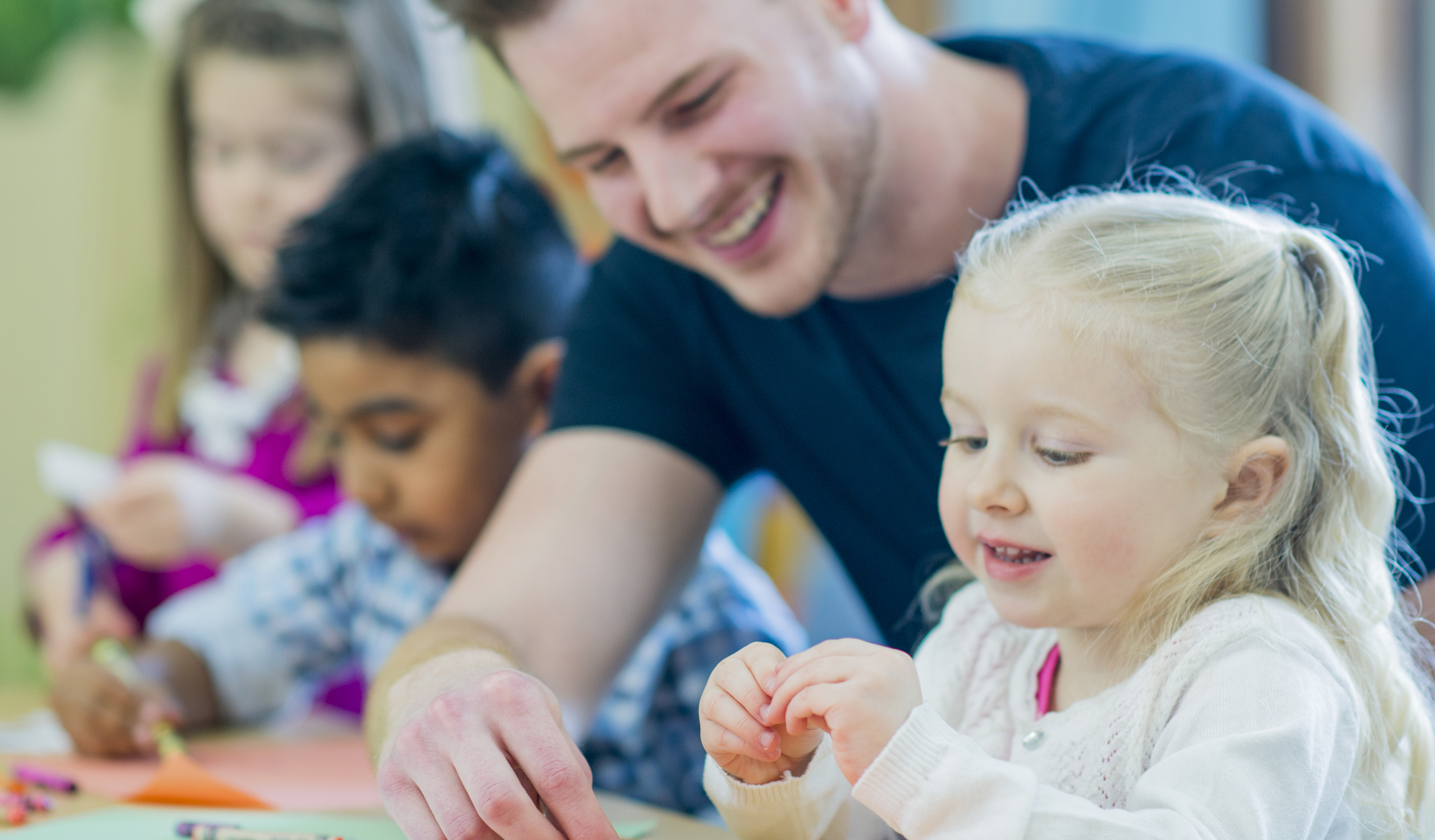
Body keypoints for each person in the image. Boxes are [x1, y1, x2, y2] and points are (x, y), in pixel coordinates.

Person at [367, 1, 1435, 837]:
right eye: (601, 161)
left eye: (696, 100)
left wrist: (920, 765)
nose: (675, 197)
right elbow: (501, 629)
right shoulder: (979, 634)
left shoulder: (1270, 200)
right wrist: (456, 703)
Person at [46, 133, 807, 816]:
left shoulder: (703, 614)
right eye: (333, 436)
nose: (361, 483)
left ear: (542, 394)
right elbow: (226, 647)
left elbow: (804, 802)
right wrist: (140, 687)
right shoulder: (369, 551)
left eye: (396, 437)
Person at [699, 189, 1435, 839]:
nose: (990, 488)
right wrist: (781, 773)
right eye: (968, 438)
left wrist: (919, 765)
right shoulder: (982, 639)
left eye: (1057, 452)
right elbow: (881, 826)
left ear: (1241, 487)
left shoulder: (1263, 672)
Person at [25, 0, 433, 678]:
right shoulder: (197, 365)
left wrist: (242, 524)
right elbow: (124, 556)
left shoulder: (422, 370)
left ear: (386, 153)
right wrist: (71, 578)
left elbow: (424, 578)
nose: (248, 191)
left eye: (295, 157)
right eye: (218, 151)